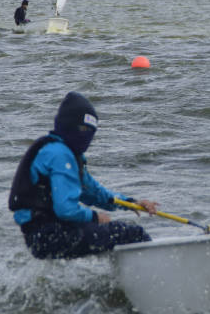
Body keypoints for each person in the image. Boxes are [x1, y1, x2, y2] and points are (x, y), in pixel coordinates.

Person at [9, 91, 158, 259]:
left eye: (90, 131)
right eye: (83, 128)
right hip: (51, 235)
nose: (86, 136)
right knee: (133, 233)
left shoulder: (64, 153)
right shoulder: (60, 155)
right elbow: (65, 209)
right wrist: (95, 217)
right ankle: (154, 269)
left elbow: (95, 193)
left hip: (44, 236)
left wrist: (131, 203)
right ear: (68, 125)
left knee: (111, 234)